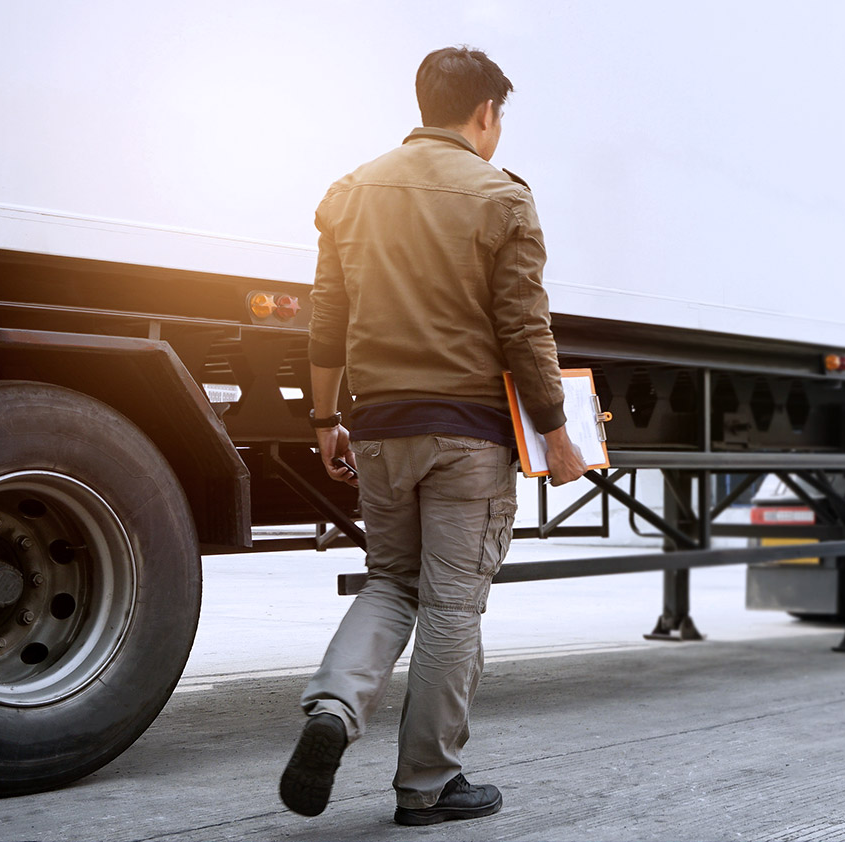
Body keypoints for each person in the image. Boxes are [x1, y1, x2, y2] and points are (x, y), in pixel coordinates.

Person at [279, 45, 586, 827]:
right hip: (466, 438)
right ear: (484, 114)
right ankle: (426, 786)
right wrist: (556, 433)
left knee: (389, 581)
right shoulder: (501, 197)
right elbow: (525, 330)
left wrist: (324, 420)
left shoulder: (349, 193)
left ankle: (335, 710)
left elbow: (327, 322)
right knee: (452, 607)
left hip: (378, 427)